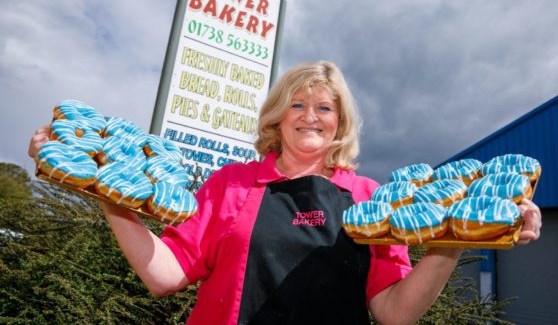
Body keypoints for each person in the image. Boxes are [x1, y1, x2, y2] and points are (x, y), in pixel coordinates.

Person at [28, 61, 542, 324]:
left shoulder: (372, 198)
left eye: (324, 107)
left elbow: (394, 313)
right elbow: (165, 275)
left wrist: (456, 236)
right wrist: (103, 188)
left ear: (340, 122)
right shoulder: (231, 183)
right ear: (277, 116)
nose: (310, 116)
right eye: (297, 105)